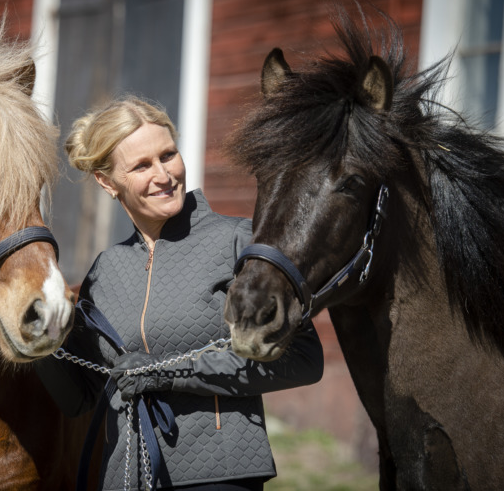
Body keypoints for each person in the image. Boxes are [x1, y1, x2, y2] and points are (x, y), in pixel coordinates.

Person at [34, 95, 324, 491]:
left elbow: (304, 360)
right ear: (107, 182)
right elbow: (79, 397)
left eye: (167, 155)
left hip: (221, 474)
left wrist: (166, 374)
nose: (164, 175)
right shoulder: (105, 270)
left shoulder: (239, 241)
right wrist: (41, 344)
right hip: (123, 476)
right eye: (141, 165)